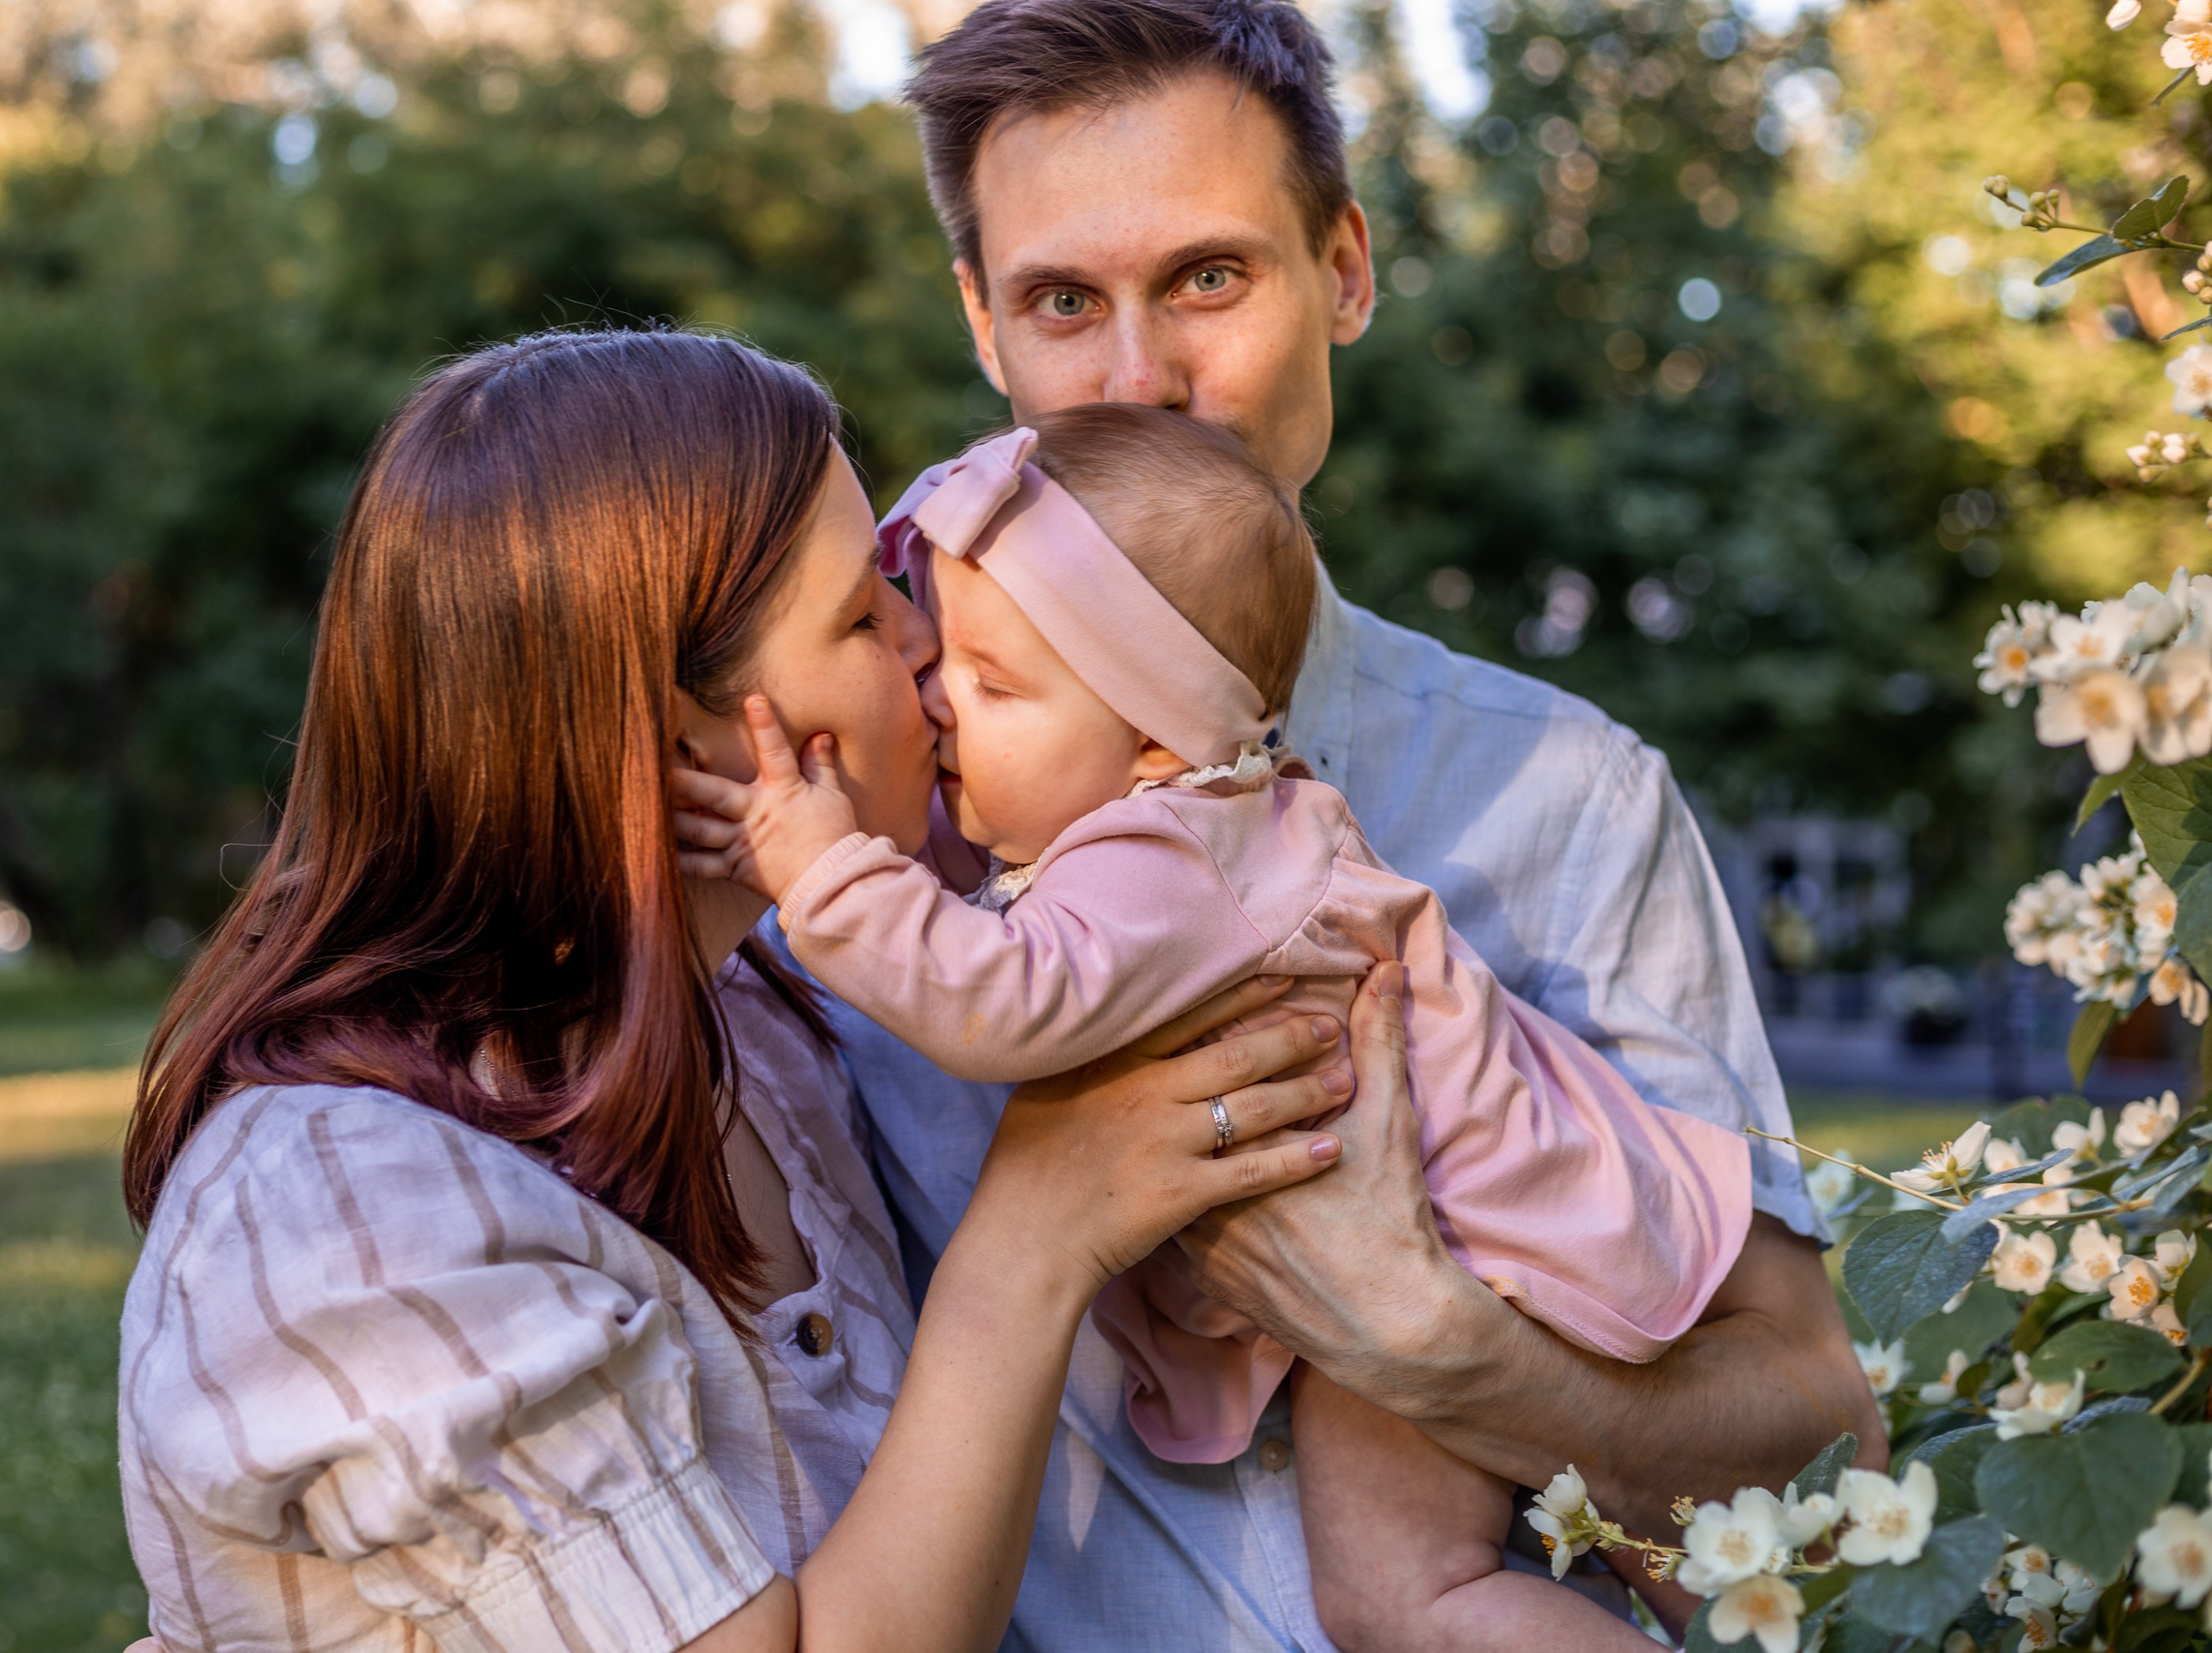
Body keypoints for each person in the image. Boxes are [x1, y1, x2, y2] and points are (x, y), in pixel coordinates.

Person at [785, 2, 1884, 1644]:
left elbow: (1821, 1448)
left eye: (1208, 279)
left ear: (1347, 273)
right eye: (1063, 303)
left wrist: (1434, 1340)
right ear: (981, 325)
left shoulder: (1569, 798)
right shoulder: (853, 807)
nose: (1140, 381)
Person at [112, 327, 1355, 1652]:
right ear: (682, 736)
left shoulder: (755, 1019)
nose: (929, 640)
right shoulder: (355, 1226)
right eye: (865, 613)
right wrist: (1034, 1241)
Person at [674, 404, 1752, 1652]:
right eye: (927, 651)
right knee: (1407, 1599)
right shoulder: (1172, 814)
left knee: (1424, 1601)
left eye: (992, 682)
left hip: (1463, 1247)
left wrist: (817, 871)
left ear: (1149, 737)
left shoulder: (1169, 853)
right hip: (1414, 1263)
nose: (937, 700)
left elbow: (1003, 997)